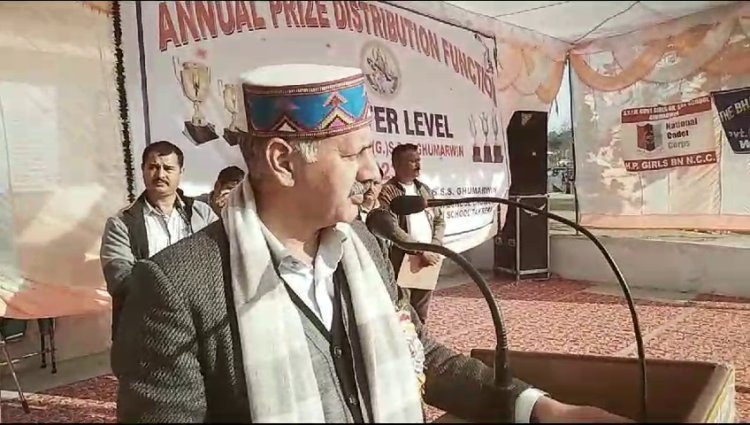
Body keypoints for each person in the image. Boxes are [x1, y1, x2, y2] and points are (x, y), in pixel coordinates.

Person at [111, 64, 630, 423]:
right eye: (351, 154)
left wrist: (540, 410)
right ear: (282, 161)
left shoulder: (362, 244)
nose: (372, 171)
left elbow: (419, 356)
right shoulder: (174, 288)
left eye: (371, 152)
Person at [100, 141, 218, 338]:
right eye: (153, 167)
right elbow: (120, 281)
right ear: (143, 170)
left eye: (168, 168)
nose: (160, 174)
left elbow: (220, 264)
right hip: (146, 331)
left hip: (200, 327)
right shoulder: (121, 223)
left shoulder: (202, 214)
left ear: (181, 172)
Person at [378, 143, 443, 324]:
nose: (418, 165)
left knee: (421, 315)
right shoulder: (388, 192)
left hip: (429, 259)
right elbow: (391, 229)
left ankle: (422, 341)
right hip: (402, 261)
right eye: (412, 161)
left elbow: (439, 220)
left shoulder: (424, 190)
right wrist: (420, 250)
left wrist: (435, 246)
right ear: (397, 165)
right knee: (403, 313)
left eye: (419, 160)